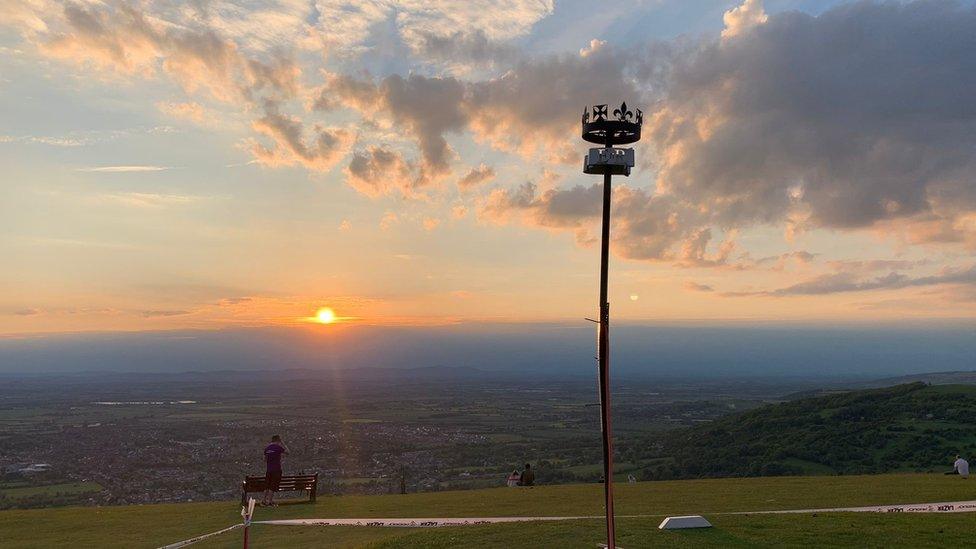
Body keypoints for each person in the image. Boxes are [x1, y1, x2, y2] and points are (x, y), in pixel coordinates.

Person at [262, 435, 288, 506]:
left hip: (269, 469)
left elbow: (264, 460)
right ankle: (269, 501)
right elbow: (287, 452)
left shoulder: (267, 449)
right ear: (278, 440)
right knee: (272, 486)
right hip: (276, 469)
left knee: (267, 485)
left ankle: (264, 500)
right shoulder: (278, 447)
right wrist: (283, 443)